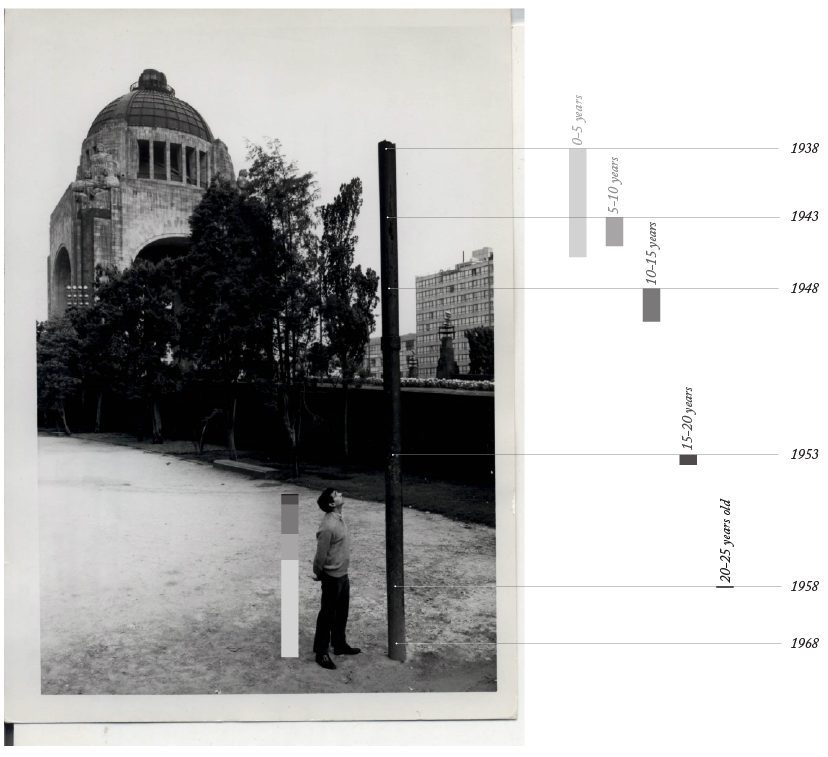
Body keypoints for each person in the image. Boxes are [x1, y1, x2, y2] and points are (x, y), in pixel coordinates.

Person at [312, 487, 361, 669]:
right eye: (337, 495)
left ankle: (339, 645)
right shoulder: (328, 525)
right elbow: (320, 554)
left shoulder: (338, 518)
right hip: (332, 577)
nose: (341, 494)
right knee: (327, 614)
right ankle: (321, 652)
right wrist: (318, 573)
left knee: (341, 612)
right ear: (332, 503)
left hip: (342, 575)